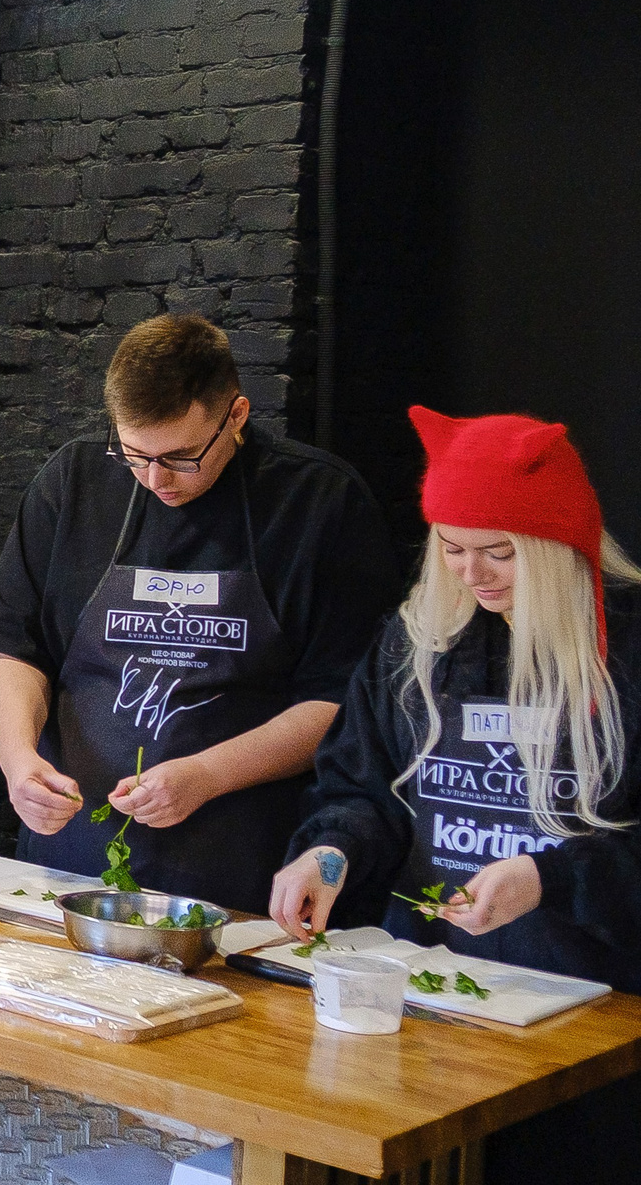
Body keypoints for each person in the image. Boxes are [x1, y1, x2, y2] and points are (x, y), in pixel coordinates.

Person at [273, 408, 641, 1177]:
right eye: (452, 549)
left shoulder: (629, 648)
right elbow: (362, 790)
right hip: (427, 996)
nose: (471, 574)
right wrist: (329, 855)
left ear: (555, 546)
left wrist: (548, 877)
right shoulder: (418, 642)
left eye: (500, 554)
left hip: (589, 1021)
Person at [0, 315, 399, 911]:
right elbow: (16, 648)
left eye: (180, 457)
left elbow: (340, 702)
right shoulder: (71, 483)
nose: (154, 479)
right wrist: (19, 758)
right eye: (133, 455)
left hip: (240, 872)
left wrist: (206, 775)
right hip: (73, 861)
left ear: (237, 415)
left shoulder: (319, 503)